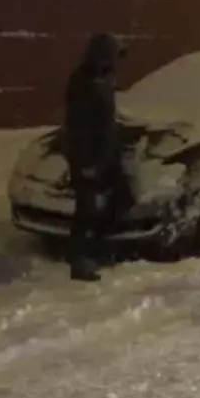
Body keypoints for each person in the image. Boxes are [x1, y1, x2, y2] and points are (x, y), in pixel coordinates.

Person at [63, 33, 130, 282]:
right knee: (86, 210)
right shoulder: (83, 82)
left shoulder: (103, 77)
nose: (115, 61)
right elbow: (79, 126)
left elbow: (106, 119)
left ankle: (101, 248)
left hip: (106, 154)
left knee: (122, 198)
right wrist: (85, 163)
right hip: (87, 156)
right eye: (112, 55)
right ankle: (79, 260)